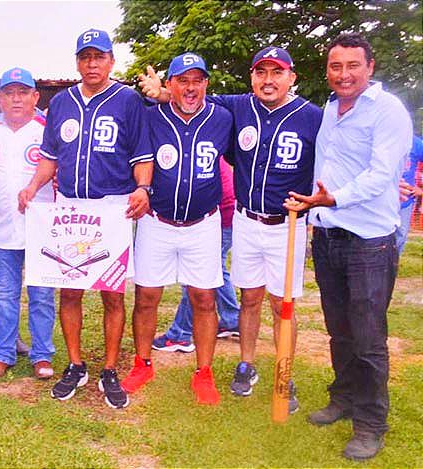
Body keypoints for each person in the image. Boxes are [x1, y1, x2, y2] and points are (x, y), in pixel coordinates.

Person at [140, 47, 323, 413]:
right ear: (252, 77)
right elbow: (191, 98)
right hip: (245, 219)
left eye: (277, 73)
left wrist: (318, 201)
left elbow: (331, 160)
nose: (268, 80)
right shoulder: (239, 107)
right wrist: (160, 93)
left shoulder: (313, 116)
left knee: (281, 304)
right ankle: (246, 364)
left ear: (292, 77)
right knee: (249, 297)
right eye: (261, 73)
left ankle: (284, 375)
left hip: (287, 223)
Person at [285, 33, 412, 461]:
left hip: (369, 242)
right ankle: (343, 398)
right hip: (329, 236)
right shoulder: (330, 110)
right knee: (338, 330)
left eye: (353, 65)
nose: (344, 74)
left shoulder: (388, 111)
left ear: (370, 67)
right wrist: (319, 208)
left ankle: (371, 423)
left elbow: (380, 174)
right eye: (336, 66)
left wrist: (332, 199)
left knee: (368, 335)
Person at [18, 29, 153, 409]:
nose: (92, 64)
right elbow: (50, 156)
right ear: (77, 62)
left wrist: (143, 188)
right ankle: (76, 364)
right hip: (70, 205)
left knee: (112, 292)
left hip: (112, 207)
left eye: (99, 57)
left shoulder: (128, 100)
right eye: (85, 57)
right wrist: (32, 186)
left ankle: (109, 369)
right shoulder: (62, 102)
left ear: (111, 60)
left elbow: (142, 155)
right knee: (70, 290)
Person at [123, 53, 233, 405]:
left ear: (206, 84)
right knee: (146, 296)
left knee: (204, 298)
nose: (190, 87)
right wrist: (155, 96)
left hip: (203, 223)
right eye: (182, 80)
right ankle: (143, 364)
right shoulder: (151, 116)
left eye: (197, 80)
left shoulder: (222, 117)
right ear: (170, 84)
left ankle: (204, 372)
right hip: (157, 221)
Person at [0, 67, 56, 380]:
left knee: (42, 296)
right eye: (9, 93)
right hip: (2, 228)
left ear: (35, 97)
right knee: (4, 296)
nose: (16, 99)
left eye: (23, 93)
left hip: (42, 229)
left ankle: (42, 354)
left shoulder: (48, 129)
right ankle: (4, 353)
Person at [152, 160, 240, 354]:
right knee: (215, 270)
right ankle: (232, 320)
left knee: (197, 278)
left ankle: (180, 335)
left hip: (219, 217)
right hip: (228, 213)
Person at [397, 135, 423, 254]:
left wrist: (421, 190)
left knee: (400, 237)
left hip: (404, 202)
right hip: (377, 200)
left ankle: (392, 264)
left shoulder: (415, 143)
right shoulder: (378, 137)